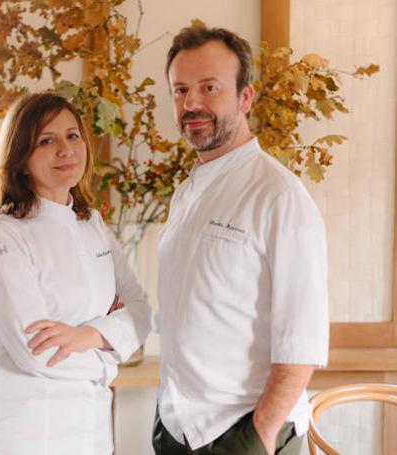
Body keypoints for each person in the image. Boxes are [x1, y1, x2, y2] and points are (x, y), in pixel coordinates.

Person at [153, 26, 329, 454]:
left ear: (245, 97)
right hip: (175, 428)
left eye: (209, 87)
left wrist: (260, 435)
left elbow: (302, 338)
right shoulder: (185, 193)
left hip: (242, 434)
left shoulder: (279, 195)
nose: (191, 103)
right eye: (180, 90)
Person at [0, 92, 151, 455]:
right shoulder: (3, 234)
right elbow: (37, 354)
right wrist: (109, 349)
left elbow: (140, 313)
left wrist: (86, 335)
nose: (66, 149)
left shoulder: (93, 224)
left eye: (73, 135)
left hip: (87, 424)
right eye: (47, 140)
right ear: (21, 159)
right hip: (18, 427)